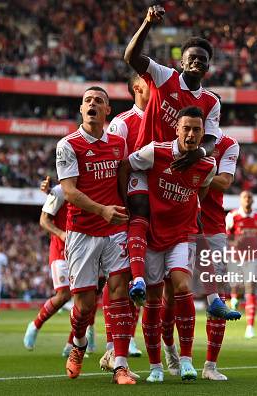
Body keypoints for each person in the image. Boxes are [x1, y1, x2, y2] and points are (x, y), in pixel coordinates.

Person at [123, 6, 238, 323]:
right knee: (139, 212)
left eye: (203, 58)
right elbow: (131, 58)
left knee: (194, 223)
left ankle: (213, 297)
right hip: (149, 162)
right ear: (182, 61)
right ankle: (136, 280)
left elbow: (212, 140)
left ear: (208, 67)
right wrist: (146, 24)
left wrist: (200, 154)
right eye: (193, 57)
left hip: (179, 175)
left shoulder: (211, 101)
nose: (198, 62)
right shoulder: (164, 76)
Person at [118, 106, 216, 382]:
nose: (191, 133)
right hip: (152, 234)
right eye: (186, 128)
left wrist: (190, 208)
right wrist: (126, 204)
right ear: (177, 129)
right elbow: (126, 165)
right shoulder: (156, 151)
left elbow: (203, 188)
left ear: (202, 133)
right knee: (152, 301)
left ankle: (185, 360)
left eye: (197, 129)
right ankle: (155, 367)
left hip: (182, 234)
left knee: (182, 286)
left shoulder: (208, 164)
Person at [56, 86, 135, 385]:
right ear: (81, 109)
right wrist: (102, 209)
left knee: (119, 292)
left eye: (98, 101)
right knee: (85, 306)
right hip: (82, 232)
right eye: (87, 100)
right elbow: (69, 191)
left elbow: (125, 181)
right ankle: (78, 345)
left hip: (115, 229)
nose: (92, 104)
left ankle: (120, 365)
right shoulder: (68, 144)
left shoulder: (118, 144)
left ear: (107, 111)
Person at [99, 72, 150, 368]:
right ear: (137, 87)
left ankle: (125, 338)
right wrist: (120, 201)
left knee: (141, 275)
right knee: (121, 275)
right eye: (150, 83)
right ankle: (111, 343)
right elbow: (116, 164)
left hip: (153, 204)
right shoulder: (122, 122)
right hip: (128, 205)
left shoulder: (162, 118)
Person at [23, 177, 97, 357]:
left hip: (85, 250)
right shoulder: (59, 191)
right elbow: (43, 220)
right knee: (63, 295)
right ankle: (35, 325)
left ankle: (71, 344)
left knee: (89, 298)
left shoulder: (93, 187)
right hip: (61, 250)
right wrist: (61, 233)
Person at [197, 128, 240, 380]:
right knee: (171, 294)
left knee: (218, 298)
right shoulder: (180, 131)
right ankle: (174, 360)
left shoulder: (228, 144)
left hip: (212, 226)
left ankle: (210, 366)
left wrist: (195, 168)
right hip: (175, 222)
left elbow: (224, 181)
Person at [226, 191, 257, 339]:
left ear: (253, 200)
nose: (247, 200)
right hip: (236, 256)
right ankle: (234, 298)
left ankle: (250, 326)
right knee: (235, 285)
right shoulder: (232, 216)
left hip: (253, 256)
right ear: (240, 200)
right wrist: (233, 242)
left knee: (250, 286)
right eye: (245, 197)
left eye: (250, 197)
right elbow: (226, 236)